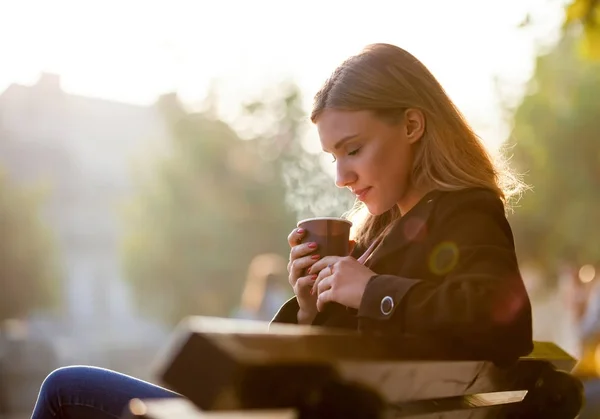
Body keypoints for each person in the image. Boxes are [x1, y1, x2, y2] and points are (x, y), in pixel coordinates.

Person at [29, 43, 533, 419]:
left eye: (353, 149)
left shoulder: (463, 209)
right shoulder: (384, 228)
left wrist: (371, 291)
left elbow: (504, 325)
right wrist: (311, 306)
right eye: (334, 157)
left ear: (412, 125)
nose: (342, 177)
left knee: (65, 391)